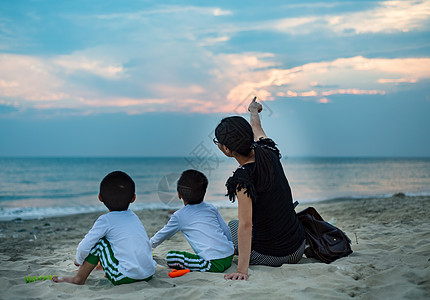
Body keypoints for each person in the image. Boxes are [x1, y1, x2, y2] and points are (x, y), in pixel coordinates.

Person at [214, 98, 306, 281]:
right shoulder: (268, 150)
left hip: (274, 257)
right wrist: (253, 110)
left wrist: (241, 270)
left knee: (234, 226)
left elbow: (246, 226)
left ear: (226, 149)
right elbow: (257, 128)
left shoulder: (242, 178)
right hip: (298, 247)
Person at [53, 171, 156, 285]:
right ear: (133, 198)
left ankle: (78, 278)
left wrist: (79, 260)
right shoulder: (134, 217)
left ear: (100, 198)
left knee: (100, 243)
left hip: (125, 277)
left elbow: (85, 245)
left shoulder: (105, 220)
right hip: (148, 274)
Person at [150, 169, 234, 272]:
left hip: (212, 264)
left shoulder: (179, 215)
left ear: (179, 194)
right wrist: (231, 246)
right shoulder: (211, 208)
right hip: (229, 255)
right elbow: (226, 230)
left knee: (172, 256)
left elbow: (161, 236)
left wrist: (147, 247)